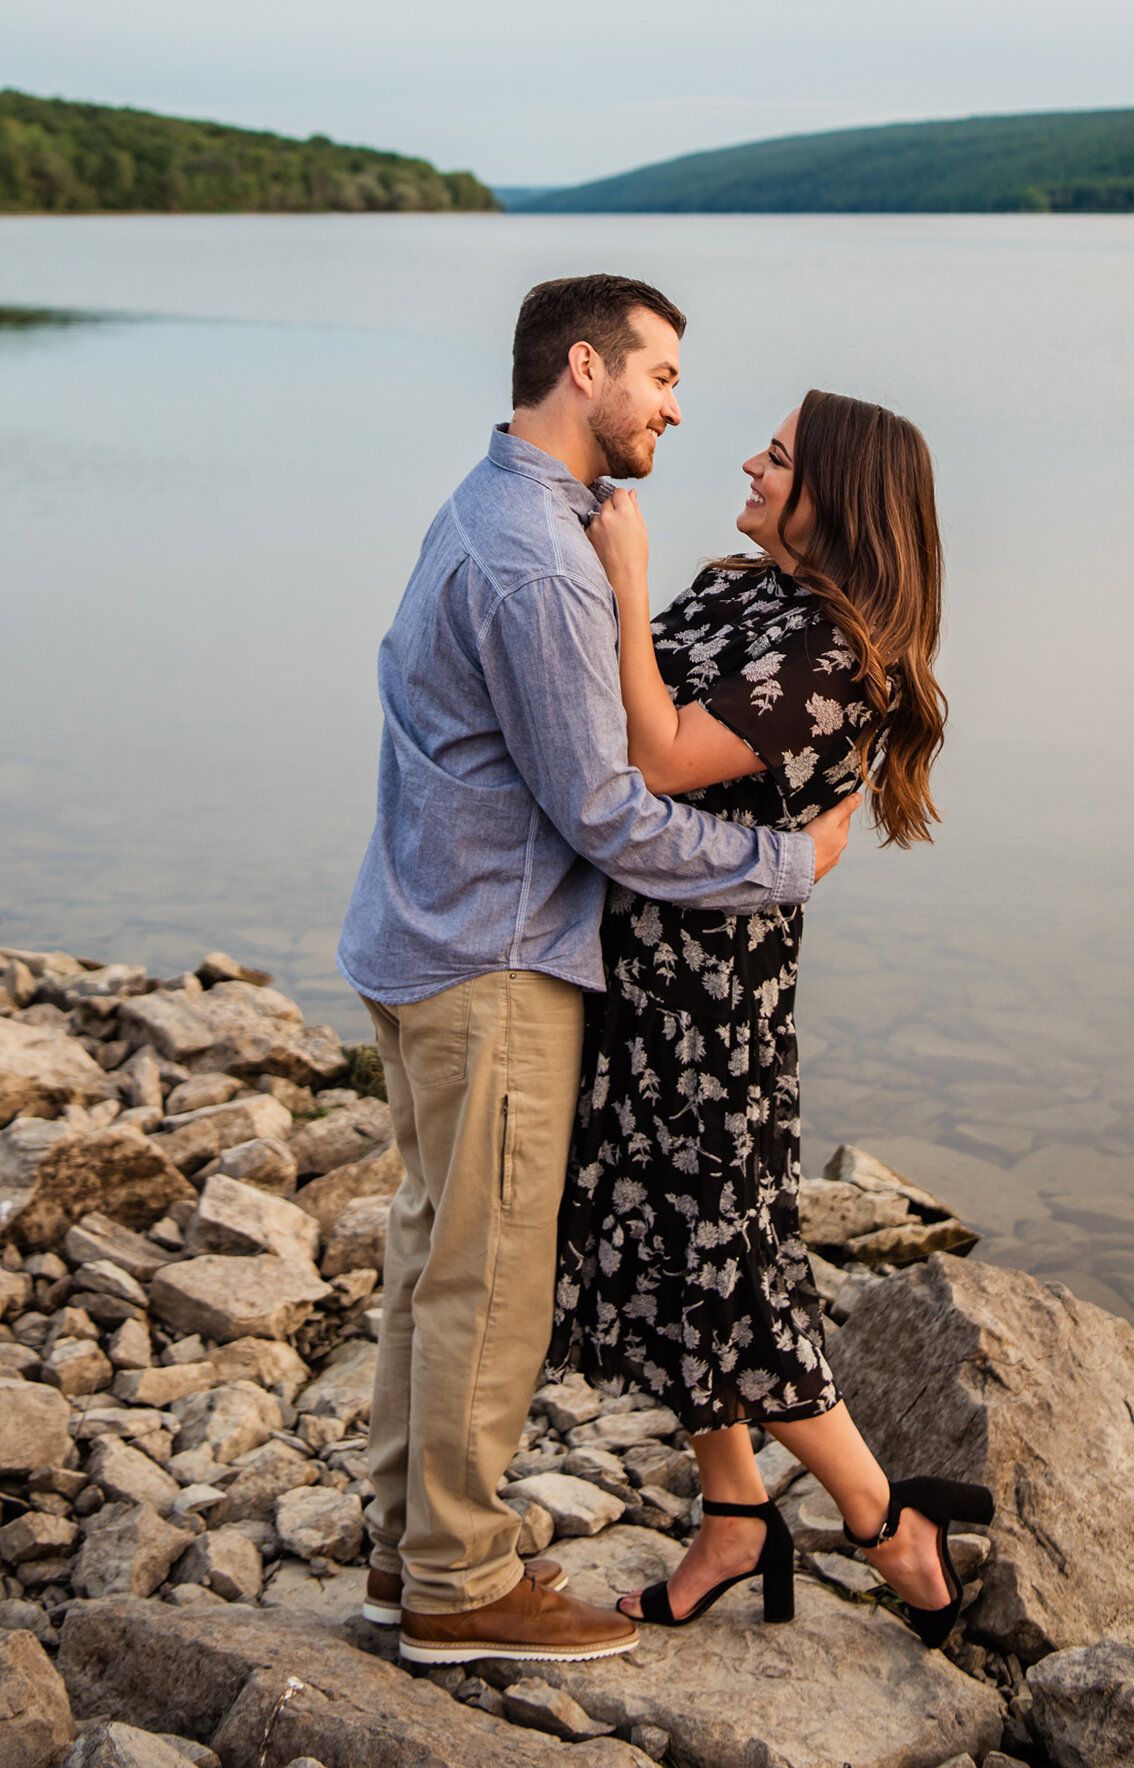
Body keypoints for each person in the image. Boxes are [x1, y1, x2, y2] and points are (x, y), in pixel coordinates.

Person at [335, 277, 860, 1667]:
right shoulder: (541, 560)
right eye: (663, 376)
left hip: (419, 936)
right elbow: (606, 814)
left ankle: (401, 1557)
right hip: (492, 962)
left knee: (430, 1256)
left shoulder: (497, 509)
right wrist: (786, 868)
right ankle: (457, 1584)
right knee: (487, 1284)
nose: (679, 410)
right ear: (587, 369)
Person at [550, 388, 993, 1644]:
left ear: (837, 496)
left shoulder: (836, 657)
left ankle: (881, 1517)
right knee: (667, 1245)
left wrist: (623, 577)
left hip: (710, 996)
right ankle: (736, 1511)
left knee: (727, 1258)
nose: (746, 460)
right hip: (629, 961)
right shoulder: (743, 589)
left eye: (780, 455)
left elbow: (656, 753)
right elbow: (602, 698)